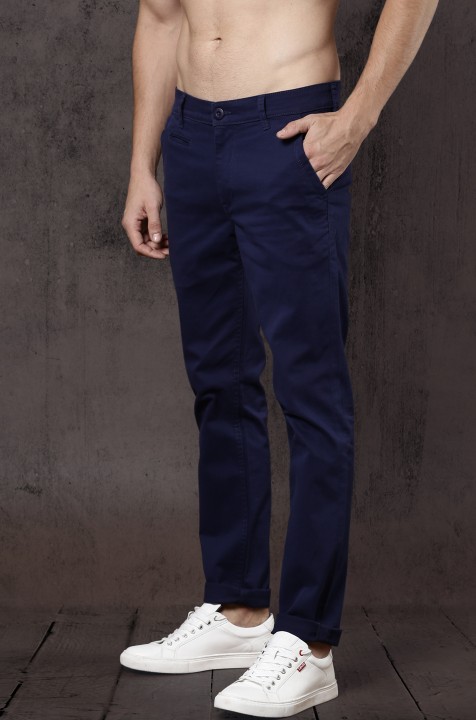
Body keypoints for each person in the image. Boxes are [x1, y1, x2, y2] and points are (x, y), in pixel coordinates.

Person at [120, 0, 438, 715]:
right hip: (190, 138)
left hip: (288, 129)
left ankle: (308, 642)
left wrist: (358, 117)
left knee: (311, 394)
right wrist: (143, 163)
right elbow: (161, 17)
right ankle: (238, 611)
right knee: (219, 382)